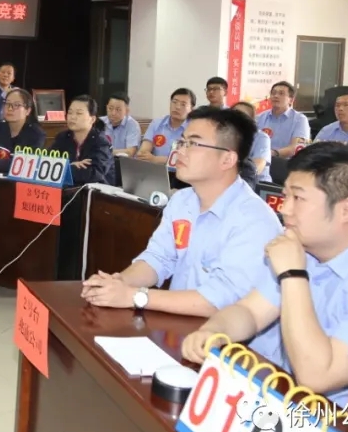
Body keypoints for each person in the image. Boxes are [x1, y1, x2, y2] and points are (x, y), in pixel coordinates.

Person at [181, 143, 348, 408]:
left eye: (298, 198)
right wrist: (214, 331)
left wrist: (292, 274)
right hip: (274, 385)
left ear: (347, 210)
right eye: (285, 195)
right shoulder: (310, 237)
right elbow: (251, 311)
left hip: (335, 417)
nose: (284, 209)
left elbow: (318, 377)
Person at [82, 107, 282, 317]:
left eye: (192, 144)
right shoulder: (181, 201)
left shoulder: (255, 221)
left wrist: (135, 296)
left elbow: (220, 301)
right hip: (180, 325)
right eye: (181, 142)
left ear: (227, 159)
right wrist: (117, 283)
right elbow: (158, 258)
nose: (179, 151)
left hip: (226, 335)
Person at [51, 95, 114, 185]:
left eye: (79, 113)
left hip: (94, 191)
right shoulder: (62, 137)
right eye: (70, 112)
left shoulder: (100, 142)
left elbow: (94, 174)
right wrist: (70, 166)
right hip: (67, 190)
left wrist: (66, 168)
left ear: (92, 119)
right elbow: (47, 164)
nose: (72, 117)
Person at [135, 88, 195, 164]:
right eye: (174, 102)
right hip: (155, 169)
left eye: (183, 104)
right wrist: (145, 155)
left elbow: (190, 159)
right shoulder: (157, 123)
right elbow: (143, 152)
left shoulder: (194, 128)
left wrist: (156, 159)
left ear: (191, 109)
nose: (177, 107)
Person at [257, 81, 310, 158]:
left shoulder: (300, 120)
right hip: (260, 160)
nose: (276, 96)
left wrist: (273, 153)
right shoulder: (259, 118)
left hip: (286, 162)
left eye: (281, 93)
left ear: (291, 100)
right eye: (273, 93)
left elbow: (297, 147)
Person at [233, 100, 272, 183]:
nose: (236, 118)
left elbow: (257, 167)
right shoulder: (225, 136)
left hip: (257, 183)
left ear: (251, 120)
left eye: (241, 115)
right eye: (233, 114)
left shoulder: (262, 138)